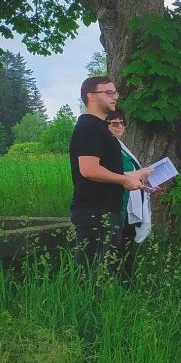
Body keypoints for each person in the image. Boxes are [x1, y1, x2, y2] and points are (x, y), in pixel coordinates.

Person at [69, 76, 151, 271]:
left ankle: (103, 301)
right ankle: (83, 302)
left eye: (115, 93)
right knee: (89, 275)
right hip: (94, 212)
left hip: (107, 210)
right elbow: (89, 169)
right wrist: (124, 180)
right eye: (108, 93)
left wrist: (134, 176)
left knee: (105, 272)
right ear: (91, 96)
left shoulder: (100, 128)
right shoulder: (88, 127)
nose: (114, 97)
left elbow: (107, 169)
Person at [105, 109, 151, 282]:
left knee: (127, 244)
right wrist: (140, 173)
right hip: (118, 203)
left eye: (122, 123)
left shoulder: (120, 147)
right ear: (105, 125)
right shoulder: (108, 147)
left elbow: (131, 173)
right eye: (114, 123)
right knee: (117, 245)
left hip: (131, 202)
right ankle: (117, 282)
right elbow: (114, 174)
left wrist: (146, 183)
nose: (120, 127)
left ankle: (126, 281)